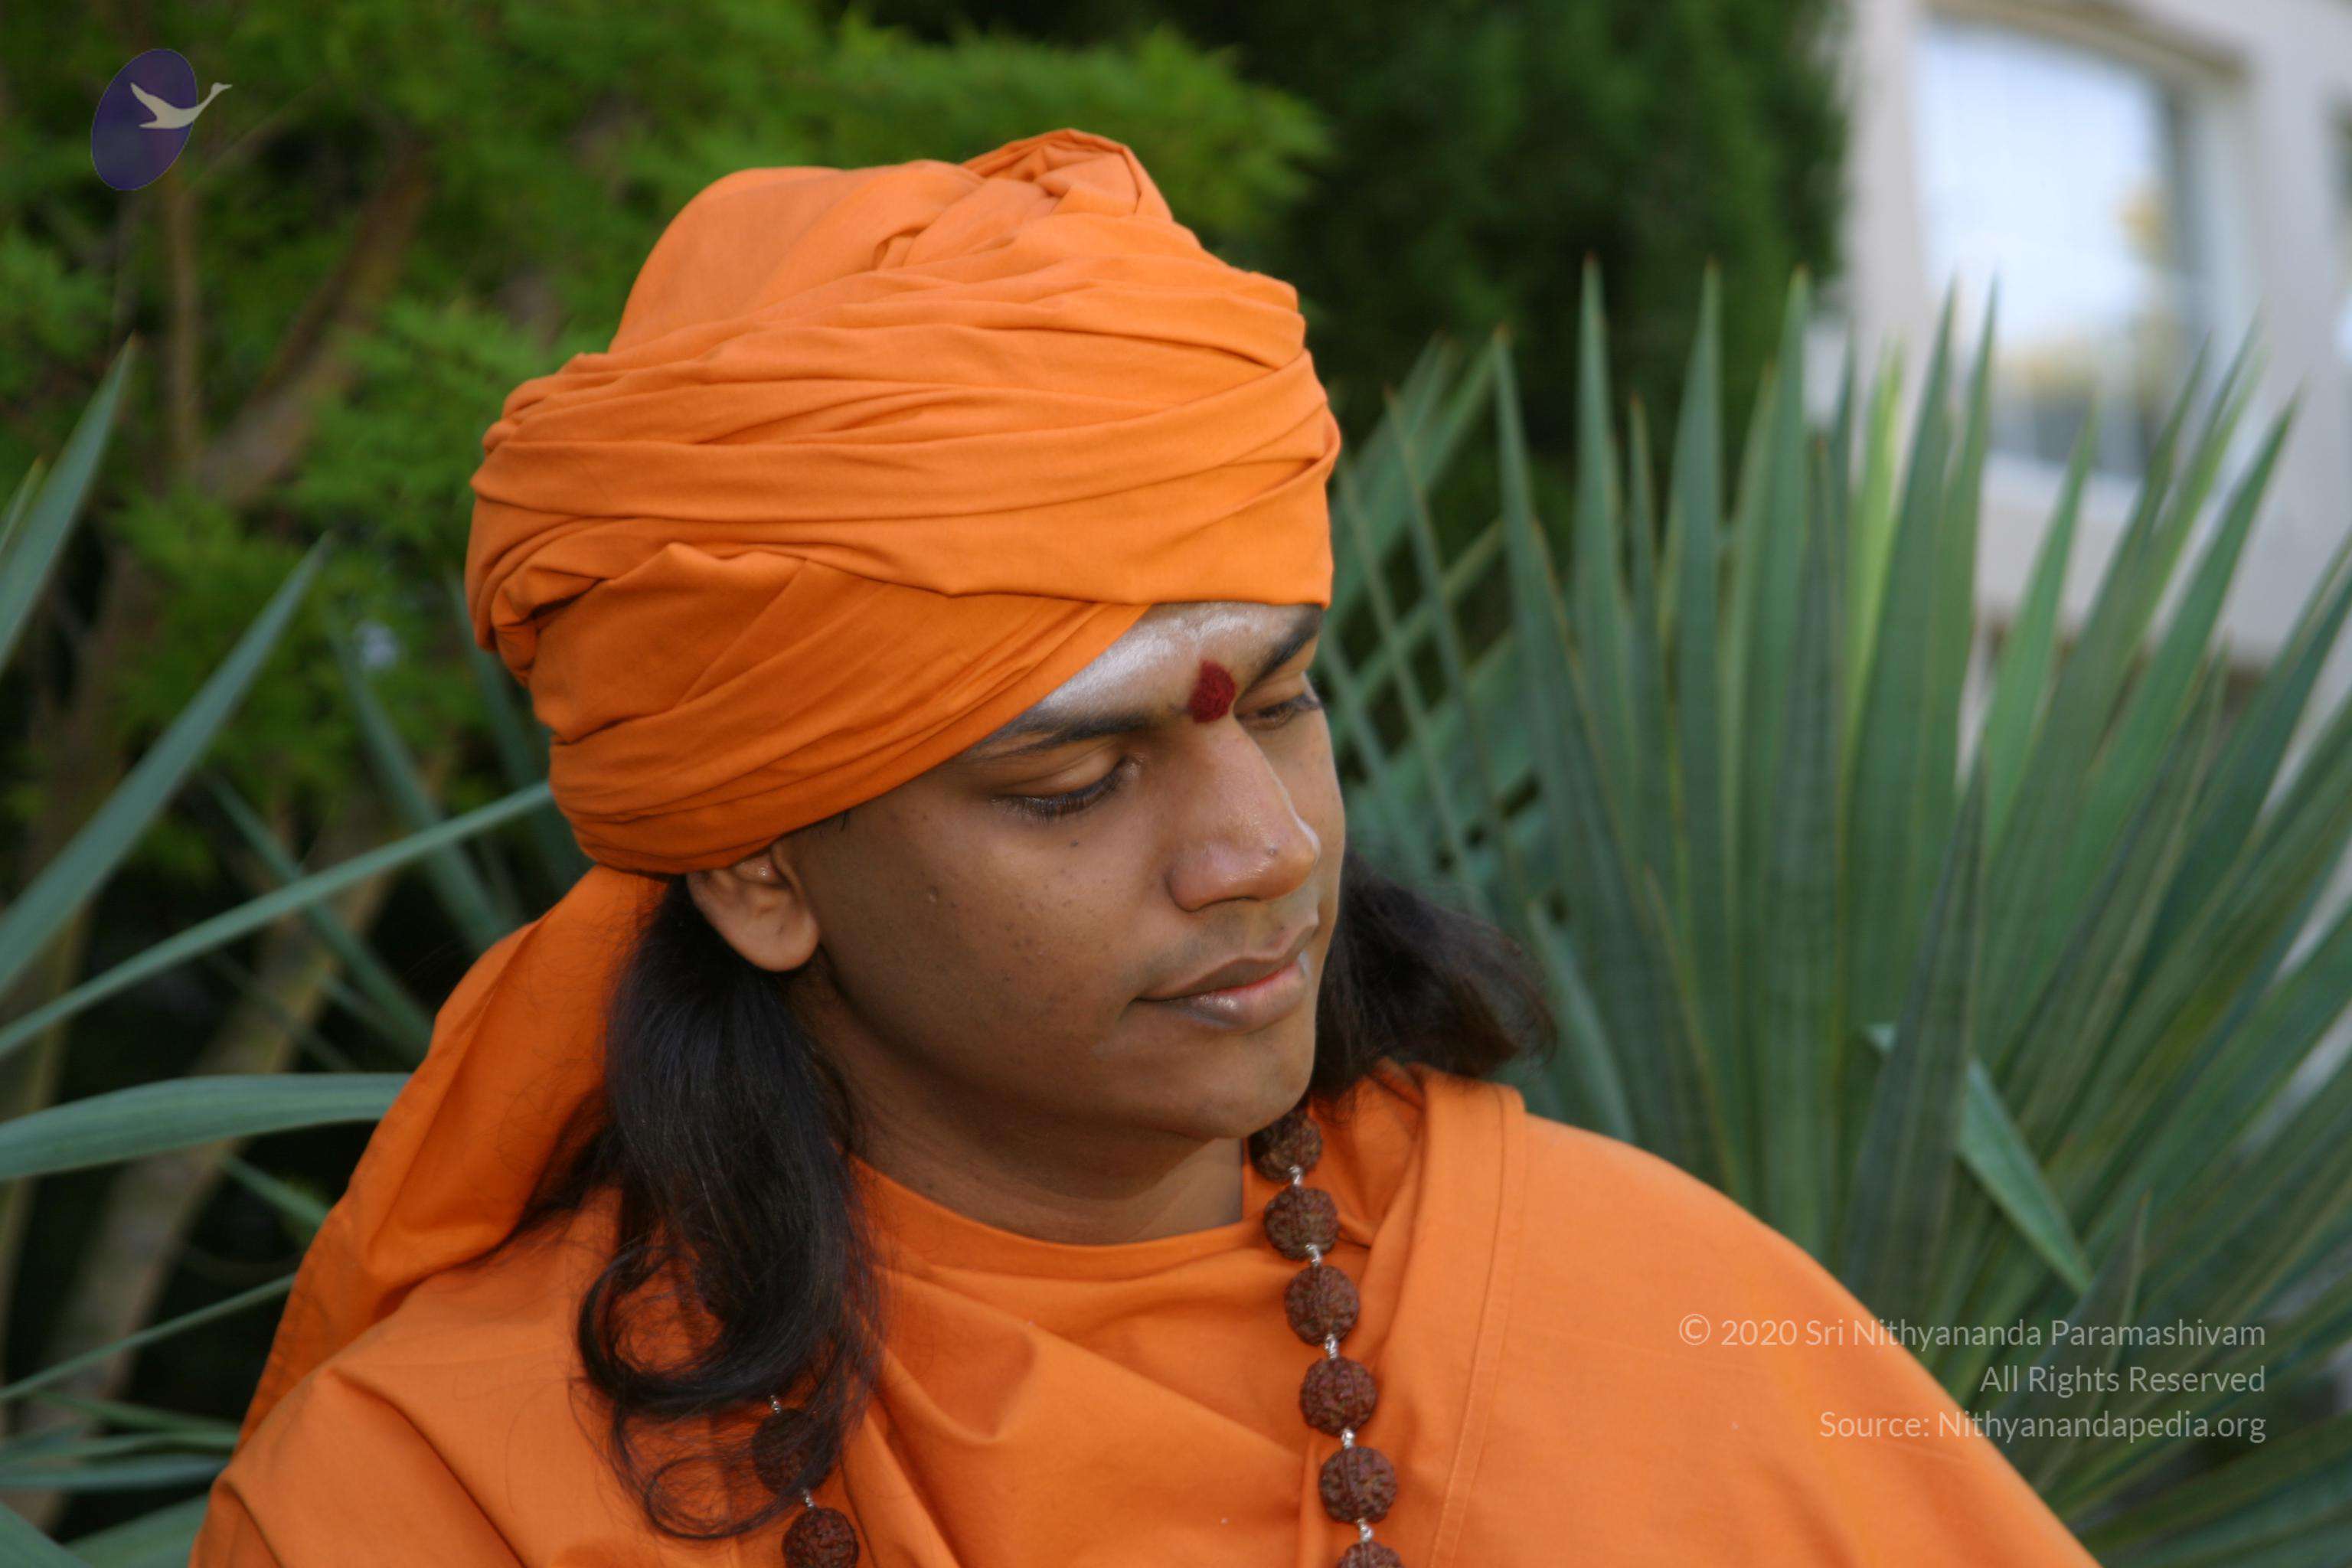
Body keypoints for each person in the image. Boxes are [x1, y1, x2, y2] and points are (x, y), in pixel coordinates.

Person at [189, 126, 2102, 1567]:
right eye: (1072, 782)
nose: (1261, 849)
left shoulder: (1653, 1308)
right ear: (763, 873)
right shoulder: (438, 1491)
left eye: (1279, 702)